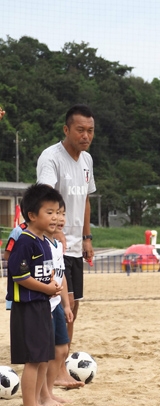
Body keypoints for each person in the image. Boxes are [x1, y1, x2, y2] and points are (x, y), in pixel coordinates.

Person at [37, 104, 97, 345]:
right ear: (66, 129)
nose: (86, 136)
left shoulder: (87, 160)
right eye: (80, 130)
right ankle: (57, 363)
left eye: (90, 131)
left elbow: (85, 200)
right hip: (55, 245)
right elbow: (45, 197)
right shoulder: (51, 157)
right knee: (62, 304)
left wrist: (87, 238)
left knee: (75, 303)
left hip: (75, 246)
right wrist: (57, 232)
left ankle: (63, 355)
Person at [7, 183, 64, 406]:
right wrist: (47, 288)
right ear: (32, 215)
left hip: (42, 305)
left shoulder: (44, 241)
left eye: (58, 212)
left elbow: (44, 272)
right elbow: (19, 275)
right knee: (33, 360)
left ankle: (38, 403)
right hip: (28, 306)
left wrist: (52, 288)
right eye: (49, 212)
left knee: (42, 357)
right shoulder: (26, 240)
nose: (55, 217)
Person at [45, 201, 84, 391]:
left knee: (62, 349)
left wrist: (67, 305)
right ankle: (42, 394)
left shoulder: (58, 245)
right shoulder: (39, 244)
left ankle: (51, 389)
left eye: (61, 213)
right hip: (44, 306)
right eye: (52, 213)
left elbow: (61, 276)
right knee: (42, 355)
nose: (59, 218)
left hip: (57, 304)